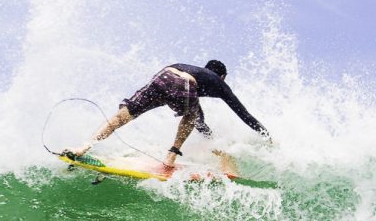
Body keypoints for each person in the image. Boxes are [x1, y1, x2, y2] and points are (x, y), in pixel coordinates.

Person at [63, 60, 271, 167]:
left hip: (164, 75)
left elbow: (199, 118)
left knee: (122, 116)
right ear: (223, 77)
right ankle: (170, 157)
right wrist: (267, 136)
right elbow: (245, 115)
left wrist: (208, 136)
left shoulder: (192, 68)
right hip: (184, 84)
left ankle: (84, 147)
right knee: (192, 116)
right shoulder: (219, 83)